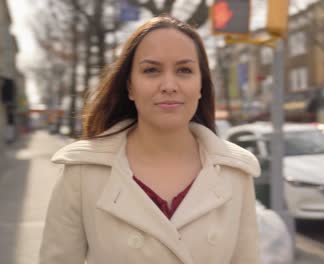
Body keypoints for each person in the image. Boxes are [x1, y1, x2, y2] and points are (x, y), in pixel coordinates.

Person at [39, 15, 261, 264]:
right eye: (151, 70)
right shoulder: (82, 172)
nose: (169, 85)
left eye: (184, 70)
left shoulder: (236, 173)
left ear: (201, 86)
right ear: (130, 87)